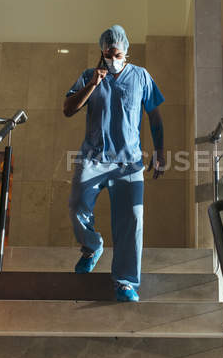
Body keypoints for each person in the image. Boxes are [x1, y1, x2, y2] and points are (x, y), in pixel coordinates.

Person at [63, 24, 165, 302]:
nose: (112, 57)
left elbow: (154, 116)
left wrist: (160, 151)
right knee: (76, 206)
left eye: (117, 53)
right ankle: (92, 246)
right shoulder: (89, 76)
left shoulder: (141, 77)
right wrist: (93, 84)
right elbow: (68, 109)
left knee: (132, 219)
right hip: (92, 158)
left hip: (128, 163)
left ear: (126, 52)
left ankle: (125, 282)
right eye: (108, 53)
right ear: (102, 53)